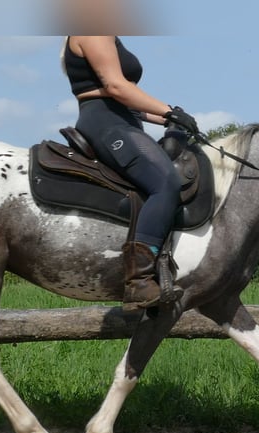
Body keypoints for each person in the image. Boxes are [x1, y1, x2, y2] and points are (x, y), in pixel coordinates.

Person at [61, 35, 199, 310]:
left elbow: (127, 98)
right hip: (105, 121)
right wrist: (168, 111)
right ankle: (139, 279)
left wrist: (169, 117)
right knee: (165, 182)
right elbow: (115, 86)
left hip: (124, 119)